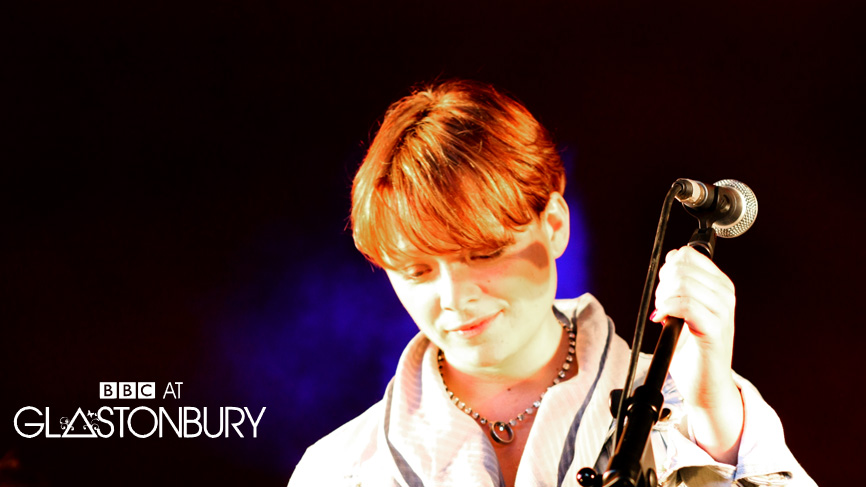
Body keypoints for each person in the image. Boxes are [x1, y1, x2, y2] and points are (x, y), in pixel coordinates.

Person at [288, 80, 815, 486]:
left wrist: (712, 420)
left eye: (484, 253)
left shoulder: (707, 415)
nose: (454, 298)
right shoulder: (338, 469)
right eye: (417, 271)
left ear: (555, 224)